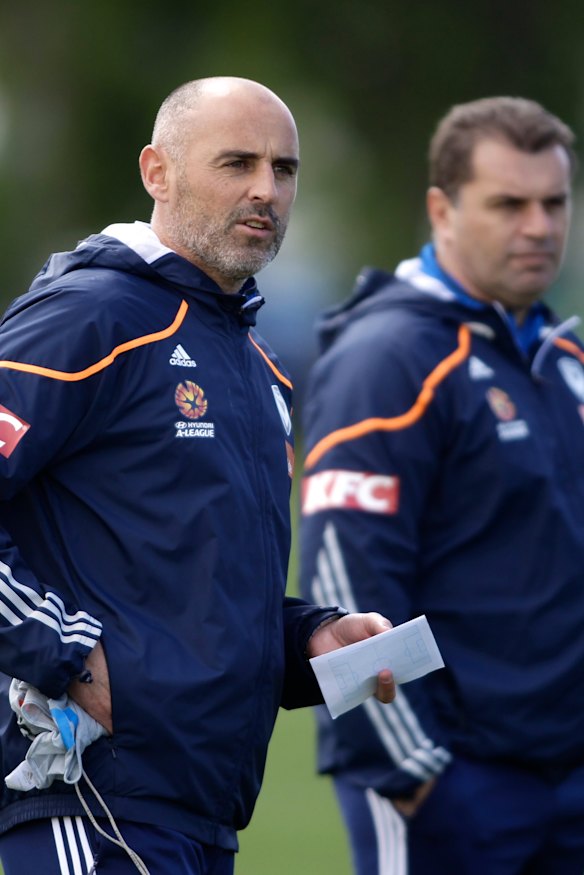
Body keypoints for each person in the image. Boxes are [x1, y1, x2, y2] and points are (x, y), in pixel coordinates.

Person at [0, 76, 396, 875]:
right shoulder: (89, 318)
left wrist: (307, 636)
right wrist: (67, 654)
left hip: (203, 814)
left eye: (284, 170)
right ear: (158, 172)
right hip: (91, 801)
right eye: (236, 162)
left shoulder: (260, 368)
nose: (265, 190)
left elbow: (187, 588)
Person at [299, 95, 584, 875]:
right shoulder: (389, 356)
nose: (539, 226)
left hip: (566, 782)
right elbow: (344, 576)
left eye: (554, 202)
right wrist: (411, 772)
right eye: (508, 203)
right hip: (454, 786)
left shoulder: (562, 358)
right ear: (441, 209)